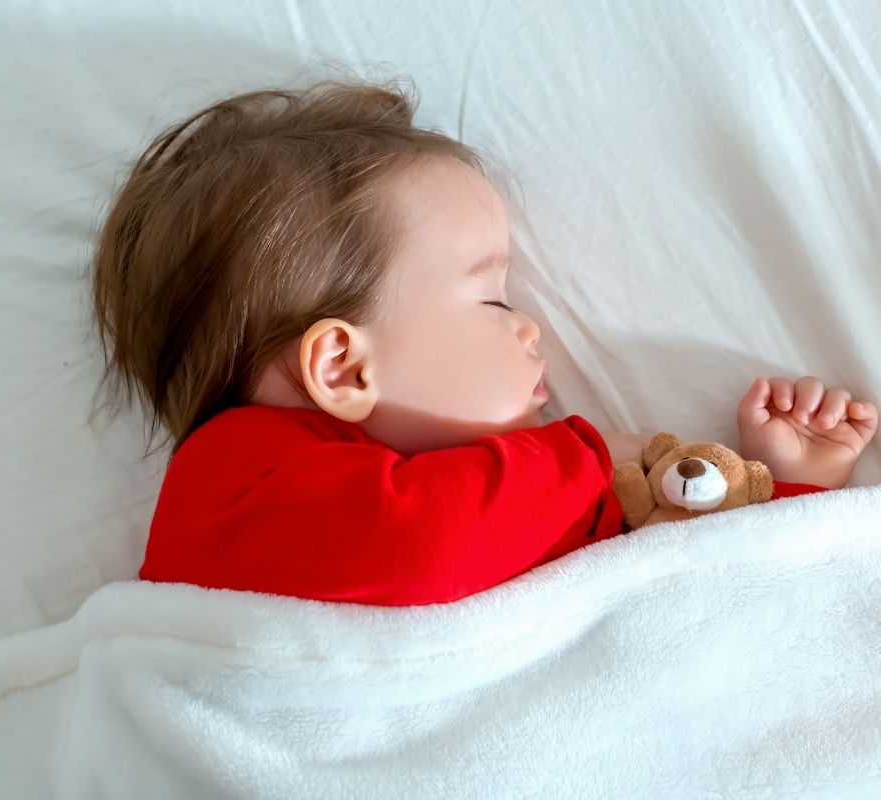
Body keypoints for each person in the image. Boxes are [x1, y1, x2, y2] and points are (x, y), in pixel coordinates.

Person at [90, 79, 878, 606]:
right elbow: (413, 543)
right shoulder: (230, 473)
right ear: (342, 364)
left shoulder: (494, 491)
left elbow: (695, 606)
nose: (528, 325)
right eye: (491, 297)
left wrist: (789, 488)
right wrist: (591, 454)